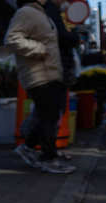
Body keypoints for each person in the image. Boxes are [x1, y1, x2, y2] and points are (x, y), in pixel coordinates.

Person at [5, 0, 76, 174]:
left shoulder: (42, 13)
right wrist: (37, 48)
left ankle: (28, 148)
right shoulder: (26, 12)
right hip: (39, 75)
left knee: (47, 117)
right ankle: (49, 159)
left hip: (50, 74)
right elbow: (12, 38)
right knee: (49, 118)